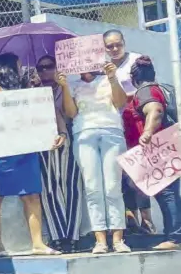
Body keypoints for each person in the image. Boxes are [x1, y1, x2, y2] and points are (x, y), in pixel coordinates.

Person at [0, 52, 62, 256]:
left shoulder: (25, 89)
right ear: (7, 69)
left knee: (32, 195)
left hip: (24, 148)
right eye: (18, 66)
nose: (22, 70)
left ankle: (38, 243)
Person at [60, 49, 131, 253]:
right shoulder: (73, 85)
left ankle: (118, 239)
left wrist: (112, 78)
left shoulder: (108, 80)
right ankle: (100, 239)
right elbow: (71, 113)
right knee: (92, 188)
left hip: (112, 132)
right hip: (84, 133)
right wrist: (64, 86)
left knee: (112, 187)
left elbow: (119, 103)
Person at [121, 56, 181, 250]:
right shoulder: (162, 88)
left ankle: (174, 238)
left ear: (133, 78)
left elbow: (155, 110)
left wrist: (147, 133)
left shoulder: (145, 91)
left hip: (157, 148)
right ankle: (174, 235)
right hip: (167, 147)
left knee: (167, 193)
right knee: (169, 193)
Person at [103, 29, 154, 234]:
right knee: (121, 172)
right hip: (113, 123)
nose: (115, 49)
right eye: (110, 46)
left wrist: (124, 96)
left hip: (135, 121)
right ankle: (130, 217)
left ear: (124, 42)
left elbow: (146, 87)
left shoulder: (136, 60)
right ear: (104, 49)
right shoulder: (102, 67)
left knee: (139, 171)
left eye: (118, 44)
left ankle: (147, 220)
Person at [35, 56, 83, 253]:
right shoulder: (33, 90)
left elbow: (70, 113)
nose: (44, 71)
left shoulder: (67, 86)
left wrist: (63, 87)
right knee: (49, 187)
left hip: (68, 136)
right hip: (43, 139)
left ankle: (71, 236)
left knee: (71, 185)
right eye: (40, 67)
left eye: (48, 67)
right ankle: (57, 235)